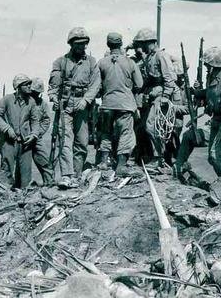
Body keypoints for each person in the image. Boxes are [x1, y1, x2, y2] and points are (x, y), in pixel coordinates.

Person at [174, 47, 221, 180]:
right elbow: (210, 93)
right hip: (216, 123)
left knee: (217, 157)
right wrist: (196, 92)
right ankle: (178, 168)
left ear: (213, 65)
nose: (205, 66)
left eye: (207, 64)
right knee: (189, 137)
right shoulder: (213, 77)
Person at [48, 27, 101, 188]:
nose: (82, 47)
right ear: (71, 44)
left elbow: (95, 84)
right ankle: (67, 175)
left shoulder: (91, 62)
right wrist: (53, 97)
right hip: (65, 104)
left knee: (82, 141)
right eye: (78, 44)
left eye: (84, 44)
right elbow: (53, 86)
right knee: (65, 140)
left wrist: (85, 100)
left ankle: (77, 174)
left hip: (83, 105)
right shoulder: (60, 62)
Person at [92, 33, 143, 175]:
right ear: (121, 44)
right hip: (125, 105)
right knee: (125, 133)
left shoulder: (101, 63)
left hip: (107, 104)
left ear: (108, 45)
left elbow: (97, 86)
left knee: (106, 132)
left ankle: (103, 162)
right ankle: (121, 166)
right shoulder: (130, 62)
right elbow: (139, 84)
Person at [134, 28, 180, 169]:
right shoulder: (149, 57)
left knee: (152, 126)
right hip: (152, 95)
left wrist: (166, 96)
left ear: (151, 42)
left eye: (143, 43)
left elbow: (170, 78)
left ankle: (158, 158)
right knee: (143, 127)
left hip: (161, 96)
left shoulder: (161, 56)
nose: (141, 46)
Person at [0, 74, 40, 189]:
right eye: (26, 84)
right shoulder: (7, 100)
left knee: (25, 171)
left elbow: (35, 121)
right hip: (8, 141)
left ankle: (24, 195)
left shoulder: (31, 102)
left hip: (25, 141)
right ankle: (4, 194)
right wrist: (7, 129)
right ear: (18, 86)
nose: (30, 86)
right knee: (7, 167)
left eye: (30, 84)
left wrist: (34, 134)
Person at [30, 78, 55, 186]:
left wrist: (38, 133)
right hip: (22, 136)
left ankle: (49, 182)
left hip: (36, 137)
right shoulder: (24, 102)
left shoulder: (42, 104)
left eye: (37, 93)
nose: (35, 94)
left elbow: (46, 120)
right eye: (33, 92)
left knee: (44, 158)